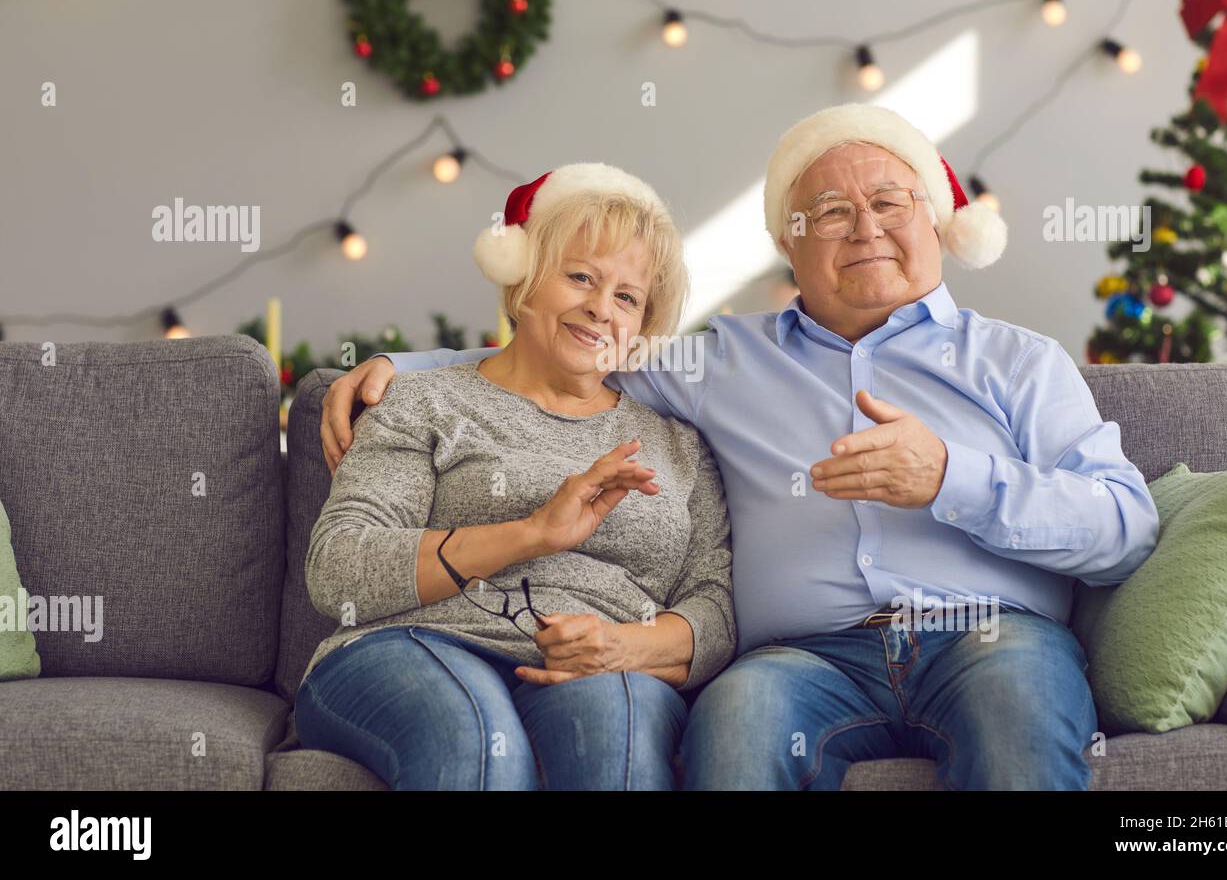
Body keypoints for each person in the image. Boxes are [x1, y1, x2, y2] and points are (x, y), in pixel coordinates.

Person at [321, 105, 1160, 790]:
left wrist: (953, 477)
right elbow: (567, 351)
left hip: (988, 633)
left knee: (1018, 718)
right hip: (804, 657)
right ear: (790, 245)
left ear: (939, 223)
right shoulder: (720, 360)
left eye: (890, 202)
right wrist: (397, 368)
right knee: (739, 724)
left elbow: (1124, 529)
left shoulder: (1019, 361)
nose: (864, 227)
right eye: (830, 212)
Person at [297, 162, 735, 790]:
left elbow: (715, 606)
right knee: (474, 740)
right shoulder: (424, 402)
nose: (600, 309)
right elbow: (339, 566)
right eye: (580, 276)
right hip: (417, 644)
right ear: (524, 279)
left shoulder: (678, 446)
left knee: (617, 737)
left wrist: (621, 646)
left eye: (627, 297)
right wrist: (531, 531)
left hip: (601, 668)